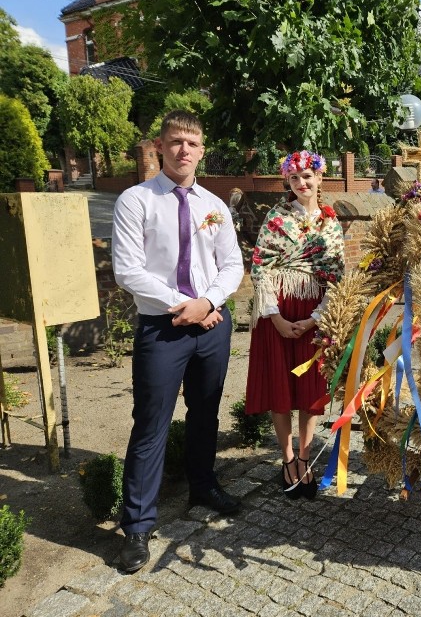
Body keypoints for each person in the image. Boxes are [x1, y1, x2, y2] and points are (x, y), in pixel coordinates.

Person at [112, 110, 244, 573]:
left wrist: (206, 303)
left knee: (206, 411)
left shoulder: (215, 204)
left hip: (210, 326)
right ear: (159, 146)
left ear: (202, 150)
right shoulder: (136, 200)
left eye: (192, 143)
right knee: (151, 424)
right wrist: (183, 306)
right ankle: (137, 526)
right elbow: (128, 269)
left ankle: (202, 485)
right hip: (163, 329)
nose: (183, 150)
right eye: (175, 142)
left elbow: (233, 266)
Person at [245, 150, 344, 501]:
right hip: (279, 311)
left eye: (307, 176)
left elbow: (337, 276)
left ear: (320, 178)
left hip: (312, 312)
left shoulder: (331, 224)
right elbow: (261, 267)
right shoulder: (276, 217)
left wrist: (316, 318)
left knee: (308, 391)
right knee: (281, 390)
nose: (302, 183)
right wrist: (276, 317)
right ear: (288, 181)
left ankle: (305, 457)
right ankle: (287, 460)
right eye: (294, 178)